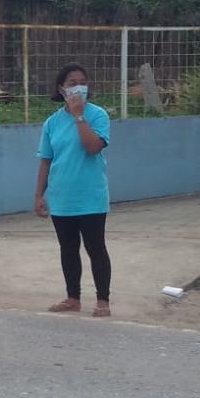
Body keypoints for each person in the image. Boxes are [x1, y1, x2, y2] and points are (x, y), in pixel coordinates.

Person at [35, 63, 112, 318]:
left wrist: (79, 116)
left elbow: (93, 147)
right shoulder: (52, 123)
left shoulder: (98, 115)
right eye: (71, 83)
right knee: (68, 249)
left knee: (95, 248)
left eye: (82, 81)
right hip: (61, 196)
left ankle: (103, 300)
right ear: (61, 89)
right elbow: (46, 160)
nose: (78, 87)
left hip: (90, 196)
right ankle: (72, 296)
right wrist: (39, 195)